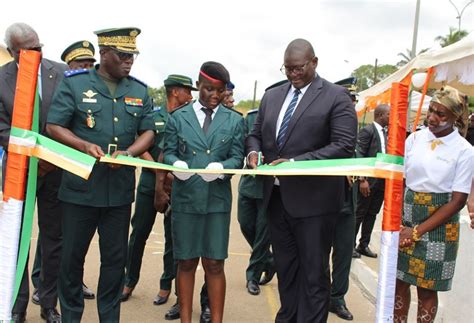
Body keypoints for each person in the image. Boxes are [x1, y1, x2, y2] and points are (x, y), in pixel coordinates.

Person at [46, 27, 154, 322]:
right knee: (71, 259)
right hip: (80, 188)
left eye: (132, 55)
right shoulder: (76, 84)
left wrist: (130, 153)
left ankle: (109, 317)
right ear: (104, 53)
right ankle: (71, 316)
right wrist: (82, 145)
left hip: (118, 193)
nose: (129, 61)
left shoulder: (138, 90)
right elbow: (54, 125)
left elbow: (149, 130)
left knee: (114, 262)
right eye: (122, 55)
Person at [246, 38, 357, 322]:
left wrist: (295, 164)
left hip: (315, 204)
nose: (293, 74)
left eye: (299, 68)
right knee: (286, 270)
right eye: (288, 69)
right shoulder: (272, 96)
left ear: (314, 62)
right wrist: (254, 152)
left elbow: (344, 145)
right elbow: (255, 133)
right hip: (277, 200)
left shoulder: (336, 96)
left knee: (314, 274)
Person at [163, 61, 244, 323]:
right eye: (208, 89)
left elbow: (237, 157)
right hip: (186, 199)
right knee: (186, 262)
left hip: (216, 203)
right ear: (198, 85)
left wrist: (223, 168)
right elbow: (169, 152)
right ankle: (186, 319)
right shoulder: (178, 117)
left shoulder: (234, 121)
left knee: (214, 264)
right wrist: (175, 165)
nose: (214, 96)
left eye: (219, 91)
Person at [0, 22, 67, 323]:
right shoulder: (1, 79)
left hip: (54, 172)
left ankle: (48, 303)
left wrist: (50, 157)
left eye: (39, 47)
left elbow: (69, 118)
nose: (37, 54)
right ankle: (17, 306)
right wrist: (30, 153)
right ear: (13, 52)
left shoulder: (62, 72)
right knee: (16, 241)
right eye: (29, 50)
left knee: (54, 240)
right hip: (18, 173)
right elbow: (1, 127)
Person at [395, 86, 473, 323]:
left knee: (427, 288)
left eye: (441, 114)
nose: (432, 118)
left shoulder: (465, 151)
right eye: (431, 110)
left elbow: (458, 200)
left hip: (440, 223)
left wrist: (417, 231)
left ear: (455, 119)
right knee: (399, 281)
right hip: (407, 218)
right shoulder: (414, 139)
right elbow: (403, 181)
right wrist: (400, 223)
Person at [31, 39, 97, 307]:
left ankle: (70, 279)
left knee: (67, 232)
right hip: (45, 164)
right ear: (67, 65)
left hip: (72, 170)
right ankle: (41, 281)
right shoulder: (57, 85)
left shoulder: (92, 90)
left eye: (90, 64)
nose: (86, 68)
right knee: (50, 232)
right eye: (81, 64)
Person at [120, 74, 196, 305]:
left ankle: (166, 286)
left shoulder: (188, 118)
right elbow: (141, 144)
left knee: (173, 240)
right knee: (138, 235)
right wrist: (159, 172)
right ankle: (129, 281)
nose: (191, 96)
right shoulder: (153, 117)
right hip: (149, 185)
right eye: (187, 91)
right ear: (175, 92)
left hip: (176, 187)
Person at [328, 85, 359, 321]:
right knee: (317, 254)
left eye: (352, 102)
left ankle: (337, 298)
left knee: (344, 254)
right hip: (324, 203)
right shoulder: (323, 127)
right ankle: (319, 295)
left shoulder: (355, 130)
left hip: (348, 204)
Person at [353, 104, 390, 259]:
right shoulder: (367, 131)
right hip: (368, 182)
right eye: (389, 114)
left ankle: (364, 245)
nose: (392, 117)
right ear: (381, 115)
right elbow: (359, 154)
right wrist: (362, 179)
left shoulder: (387, 133)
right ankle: (350, 245)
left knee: (372, 214)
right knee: (359, 214)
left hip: (381, 182)